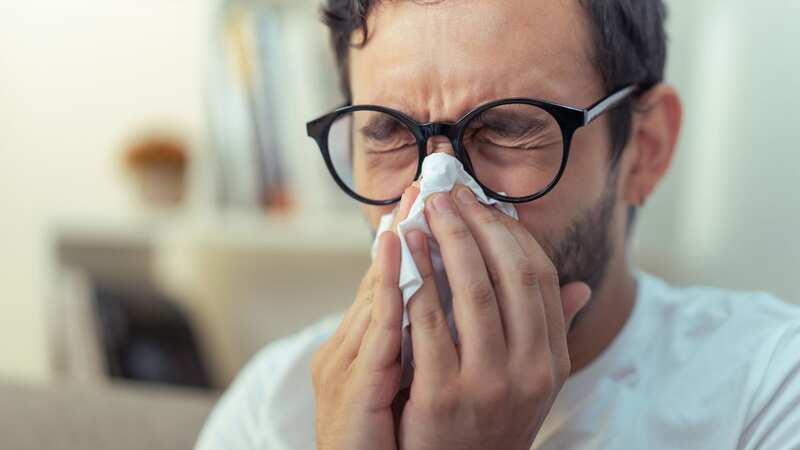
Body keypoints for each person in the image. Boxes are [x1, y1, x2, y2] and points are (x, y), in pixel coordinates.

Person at [196, 1, 800, 449]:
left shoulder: (767, 391)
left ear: (645, 148)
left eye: (510, 128)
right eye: (386, 132)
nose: (434, 199)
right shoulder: (273, 408)